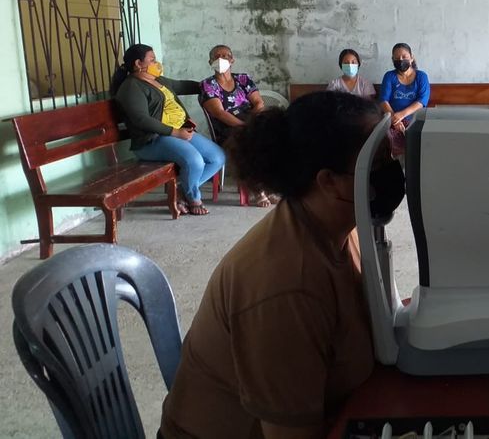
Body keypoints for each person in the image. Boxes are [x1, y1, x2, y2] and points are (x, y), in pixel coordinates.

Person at [159, 91, 406, 438]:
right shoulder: (287, 285)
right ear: (328, 181)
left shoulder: (341, 226)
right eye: (377, 162)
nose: (392, 169)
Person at [110, 43, 225, 216]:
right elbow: (141, 119)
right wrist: (175, 132)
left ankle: (181, 191)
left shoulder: (158, 80)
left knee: (217, 157)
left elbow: (182, 86)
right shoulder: (131, 87)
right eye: (152, 60)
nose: (156, 63)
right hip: (152, 140)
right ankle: (194, 198)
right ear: (138, 64)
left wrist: (212, 85)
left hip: (178, 132)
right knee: (195, 161)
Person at [198, 44, 273, 208]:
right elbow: (219, 113)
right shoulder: (208, 84)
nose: (221, 59)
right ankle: (258, 189)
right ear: (210, 61)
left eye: (226, 55)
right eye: (216, 56)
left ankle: (271, 185)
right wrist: (244, 126)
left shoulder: (243, 79)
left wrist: (252, 123)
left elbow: (259, 103)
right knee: (250, 144)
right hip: (227, 129)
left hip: (250, 122)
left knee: (273, 139)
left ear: (232, 60)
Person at [379, 42, 430, 131]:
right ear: (393, 60)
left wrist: (401, 115)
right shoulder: (389, 76)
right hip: (392, 121)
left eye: (404, 57)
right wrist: (395, 120)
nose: (401, 60)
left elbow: (422, 101)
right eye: (397, 58)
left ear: (411, 57)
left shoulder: (421, 76)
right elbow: (383, 100)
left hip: (416, 121)